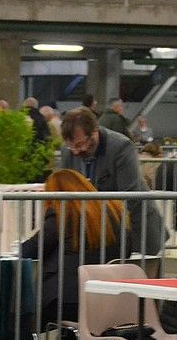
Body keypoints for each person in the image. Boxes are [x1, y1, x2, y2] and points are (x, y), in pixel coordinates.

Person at [17, 169, 127, 340]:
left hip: (66, 301)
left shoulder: (63, 213)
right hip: (107, 301)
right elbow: (127, 250)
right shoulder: (116, 212)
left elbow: (31, 249)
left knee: (17, 317)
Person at [59, 107, 166, 256]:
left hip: (136, 229)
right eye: (71, 147)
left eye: (79, 145)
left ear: (94, 132)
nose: (75, 151)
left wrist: (95, 220)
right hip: (96, 233)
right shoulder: (67, 151)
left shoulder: (121, 146)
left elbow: (130, 196)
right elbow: (65, 191)